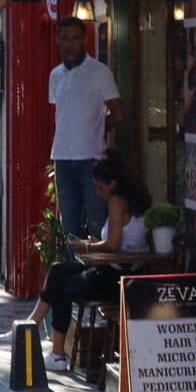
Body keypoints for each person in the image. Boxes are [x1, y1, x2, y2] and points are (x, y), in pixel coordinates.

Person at [18, 161, 149, 362]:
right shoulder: (133, 201)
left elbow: (113, 245)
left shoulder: (116, 201)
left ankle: (52, 350)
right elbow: (118, 242)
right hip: (117, 271)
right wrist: (96, 244)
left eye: (100, 186)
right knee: (57, 270)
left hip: (116, 278)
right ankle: (33, 328)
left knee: (61, 288)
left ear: (112, 184)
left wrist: (86, 247)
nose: (97, 192)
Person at [48, 18, 124, 238]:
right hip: (62, 157)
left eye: (75, 38)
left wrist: (99, 127)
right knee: (69, 228)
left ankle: (97, 272)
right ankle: (78, 272)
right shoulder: (55, 75)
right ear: (58, 40)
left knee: (97, 223)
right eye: (65, 38)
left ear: (84, 40)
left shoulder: (99, 72)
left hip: (91, 159)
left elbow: (118, 115)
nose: (70, 44)